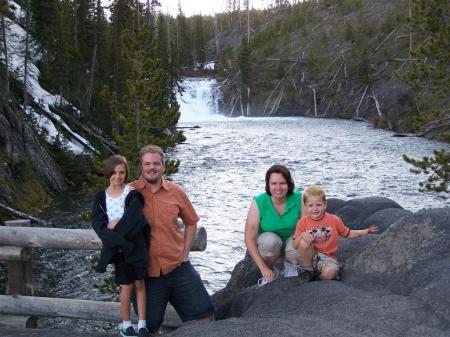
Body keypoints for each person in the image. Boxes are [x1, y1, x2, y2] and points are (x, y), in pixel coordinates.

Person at [129, 145, 214, 333]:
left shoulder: (176, 192)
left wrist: (185, 254)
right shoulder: (130, 192)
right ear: (141, 167)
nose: (152, 167)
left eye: (156, 163)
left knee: (205, 313)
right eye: (147, 164)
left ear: (163, 166)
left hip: (177, 266)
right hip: (146, 272)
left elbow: (191, 222)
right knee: (149, 325)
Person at [91, 155, 151, 337]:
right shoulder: (101, 197)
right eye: (114, 173)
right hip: (120, 250)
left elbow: (134, 220)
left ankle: (142, 324)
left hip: (137, 246)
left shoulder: (132, 194)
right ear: (108, 173)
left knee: (140, 283)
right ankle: (126, 324)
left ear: (126, 174)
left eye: (122, 173)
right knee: (126, 286)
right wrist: (120, 241)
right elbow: (98, 224)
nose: (117, 177)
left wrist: (116, 227)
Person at [293, 185, 379, 282]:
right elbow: (295, 245)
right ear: (305, 206)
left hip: (327, 258)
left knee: (330, 273)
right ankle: (307, 271)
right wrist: (301, 235)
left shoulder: (334, 220)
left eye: (319, 205)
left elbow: (348, 233)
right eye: (311, 205)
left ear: (325, 204)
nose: (315, 209)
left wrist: (365, 231)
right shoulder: (303, 222)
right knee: (304, 242)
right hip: (310, 257)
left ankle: (317, 280)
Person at [244, 164, 305, 285]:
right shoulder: (259, 201)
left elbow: (307, 229)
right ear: (268, 185)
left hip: (292, 241)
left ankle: (291, 268)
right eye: (273, 183)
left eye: (282, 183)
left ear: (289, 184)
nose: (278, 187)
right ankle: (271, 272)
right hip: (270, 245)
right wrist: (263, 268)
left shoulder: (299, 198)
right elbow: (249, 238)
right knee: (269, 242)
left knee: (299, 243)